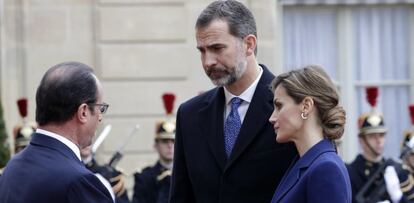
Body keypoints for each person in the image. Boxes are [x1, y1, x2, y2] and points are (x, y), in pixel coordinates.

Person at [169, 1, 297, 202]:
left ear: (249, 44)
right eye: (201, 51)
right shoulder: (189, 115)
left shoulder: (293, 106)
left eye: (217, 48)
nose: (207, 61)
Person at [0, 62, 113, 203]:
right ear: (83, 112)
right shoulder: (80, 181)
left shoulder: (12, 168)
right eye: (100, 108)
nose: (100, 117)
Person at [268, 66, 352, 203]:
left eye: (279, 106)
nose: (272, 118)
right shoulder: (303, 162)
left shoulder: (326, 169)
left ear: (306, 106)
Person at [347, 87, 414, 203]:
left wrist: (398, 198)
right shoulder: (351, 172)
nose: (379, 140)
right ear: (361, 140)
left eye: (381, 135)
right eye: (372, 136)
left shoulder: (395, 170)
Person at [133, 93, 176, 203]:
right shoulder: (144, 177)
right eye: (165, 141)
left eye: (174, 141)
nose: (170, 145)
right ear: (155, 145)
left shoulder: (187, 176)